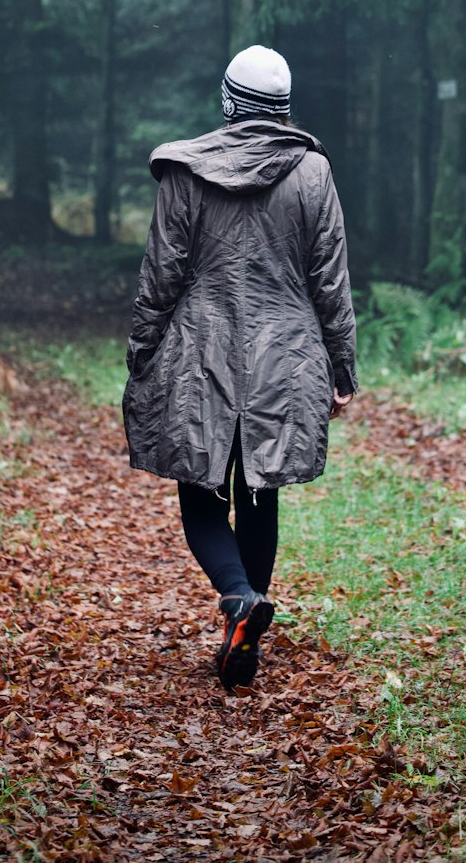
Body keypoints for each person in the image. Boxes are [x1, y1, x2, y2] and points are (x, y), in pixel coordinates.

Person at [123, 45, 357, 690]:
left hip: (201, 349)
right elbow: (330, 280)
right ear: (284, 107)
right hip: (286, 353)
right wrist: (341, 366)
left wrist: (142, 351)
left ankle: (237, 599)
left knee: (201, 493)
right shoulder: (313, 174)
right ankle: (246, 618)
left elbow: (161, 275)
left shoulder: (186, 172)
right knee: (260, 492)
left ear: (228, 101)